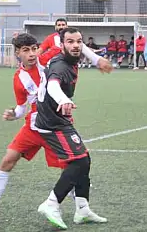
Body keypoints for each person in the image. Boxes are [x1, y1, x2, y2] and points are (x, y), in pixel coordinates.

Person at [0, 32, 111, 225]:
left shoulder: (48, 59)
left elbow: (74, 45)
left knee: (76, 166)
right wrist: (13, 114)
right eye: (26, 51)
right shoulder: (18, 78)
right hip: (33, 126)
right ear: (18, 53)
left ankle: (81, 209)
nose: (32, 54)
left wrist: (96, 59)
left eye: (34, 49)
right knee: (8, 160)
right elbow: (21, 107)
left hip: (54, 124)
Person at [35, 27, 108, 229]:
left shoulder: (71, 55)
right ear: (62, 44)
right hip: (52, 122)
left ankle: (82, 210)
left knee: (84, 161)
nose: (76, 45)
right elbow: (52, 86)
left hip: (58, 118)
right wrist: (63, 99)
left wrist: (96, 59)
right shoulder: (61, 65)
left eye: (78, 41)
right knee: (78, 163)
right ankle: (51, 203)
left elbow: (83, 48)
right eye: (70, 42)